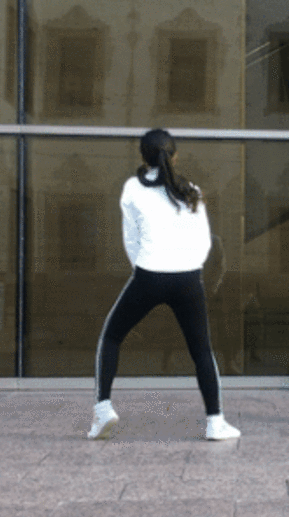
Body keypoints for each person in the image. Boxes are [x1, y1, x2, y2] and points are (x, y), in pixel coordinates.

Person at [88, 128, 241, 441]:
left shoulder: (132, 187)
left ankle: (103, 409)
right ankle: (216, 422)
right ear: (175, 155)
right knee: (201, 350)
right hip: (188, 278)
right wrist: (191, 268)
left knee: (112, 336)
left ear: (143, 156)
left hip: (149, 275)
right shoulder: (190, 188)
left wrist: (145, 266)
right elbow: (205, 240)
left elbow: (130, 237)